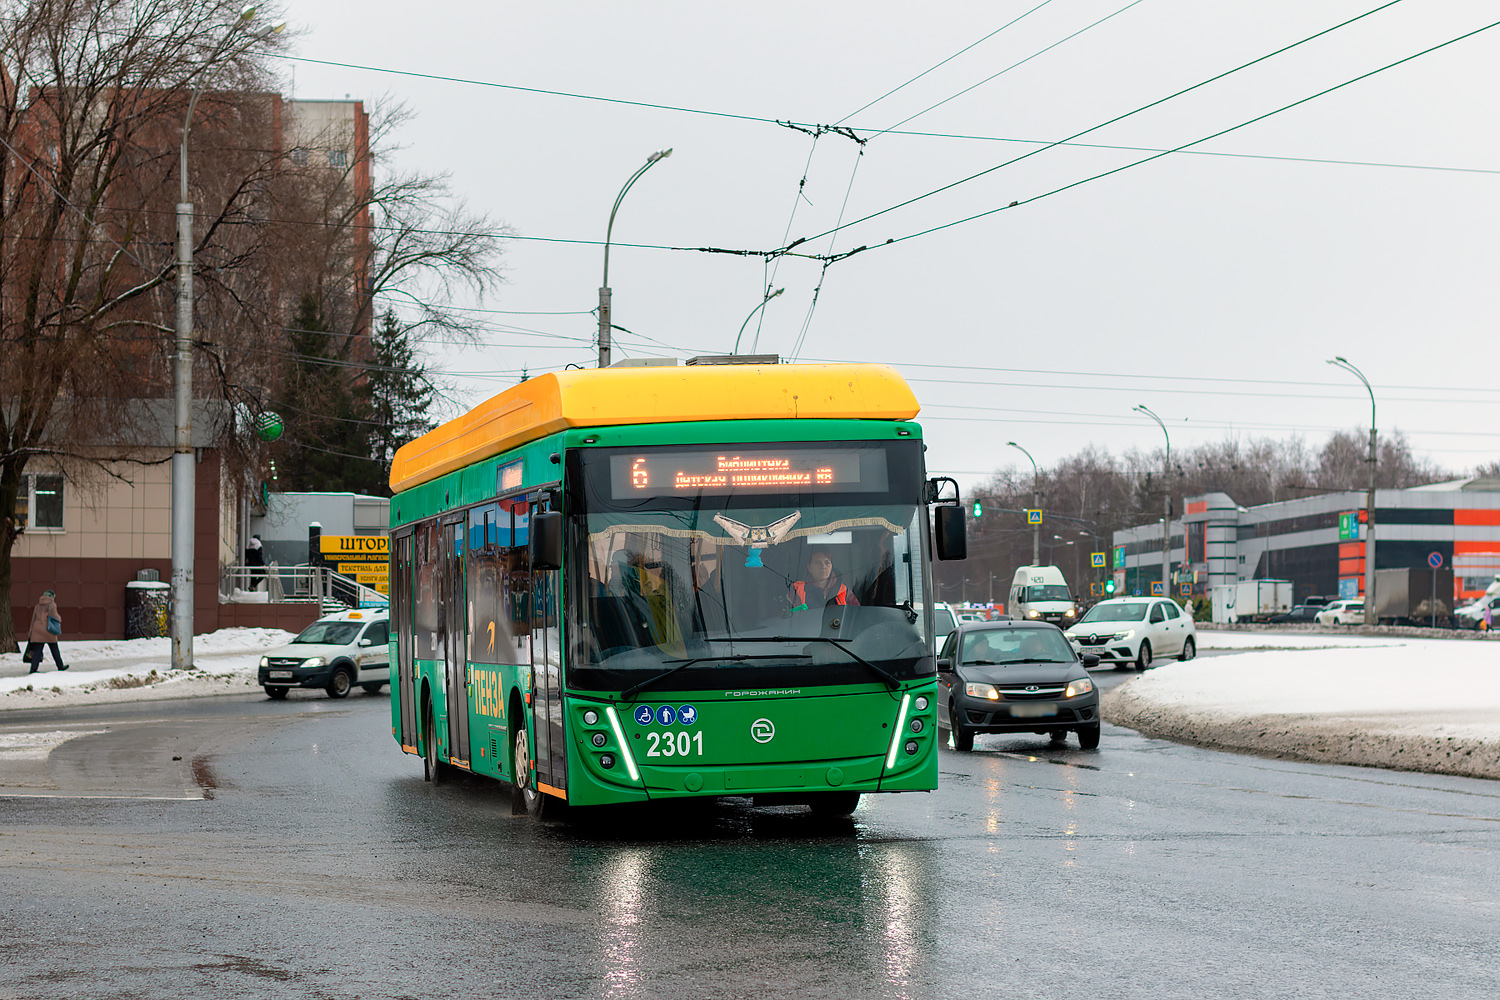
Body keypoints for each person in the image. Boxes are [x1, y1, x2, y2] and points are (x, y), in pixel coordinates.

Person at [789, 548, 860, 611]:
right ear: (809, 567)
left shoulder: (844, 591)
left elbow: (856, 615)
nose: (823, 567)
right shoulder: (797, 589)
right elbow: (785, 616)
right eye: (818, 563)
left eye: (827, 563)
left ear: (831, 566)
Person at [25, 590, 68, 674]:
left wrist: (31, 632)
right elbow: (54, 616)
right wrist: (59, 618)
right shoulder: (52, 605)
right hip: (48, 629)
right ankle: (60, 666)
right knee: (54, 648)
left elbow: (33, 618)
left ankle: (33, 669)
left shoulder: (38, 605)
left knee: (37, 650)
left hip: (37, 628)